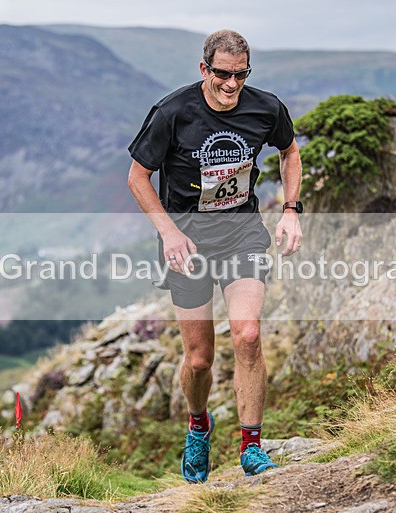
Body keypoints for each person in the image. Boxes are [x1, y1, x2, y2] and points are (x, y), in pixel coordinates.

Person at [127, 29, 303, 482]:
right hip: (187, 244)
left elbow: (289, 151)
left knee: (247, 336)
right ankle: (199, 425)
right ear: (205, 69)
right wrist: (167, 233)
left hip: (242, 235)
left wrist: (290, 210)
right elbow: (138, 177)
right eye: (222, 74)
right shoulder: (173, 112)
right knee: (200, 359)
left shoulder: (266, 107)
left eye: (240, 75)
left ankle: (251, 447)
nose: (231, 84)